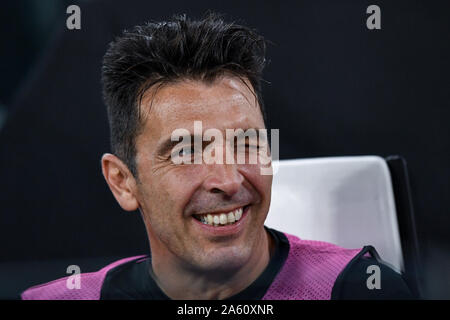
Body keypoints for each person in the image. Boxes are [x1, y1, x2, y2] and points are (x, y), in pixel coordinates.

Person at [21, 13, 415, 300]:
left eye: (247, 142)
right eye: (187, 151)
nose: (228, 180)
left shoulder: (359, 290)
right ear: (123, 182)